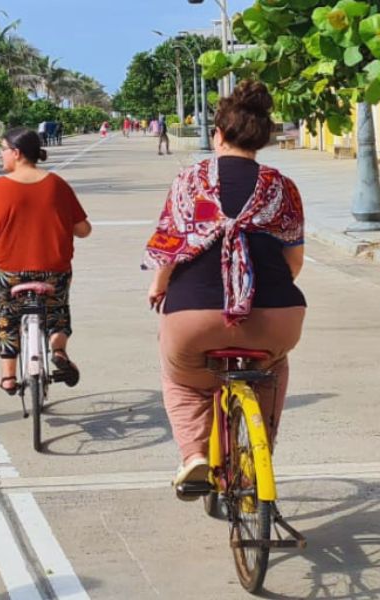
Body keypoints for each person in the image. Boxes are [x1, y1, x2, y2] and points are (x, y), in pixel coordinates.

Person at [142, 81, 306, 496]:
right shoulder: (282, 187)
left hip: (193, 316)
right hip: (277, 316)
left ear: (218, 134)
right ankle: (256, 454)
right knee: (271, 368)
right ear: (262, 137)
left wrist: (158, 288)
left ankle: (194, 455)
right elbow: (294, 263)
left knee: (181, 379)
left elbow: (170, 247)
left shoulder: (190, 180)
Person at [0, 128, 92, 394]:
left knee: (7, 316)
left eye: (2, 149)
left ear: (16, 153)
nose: (0, 155)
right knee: (58, 311)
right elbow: (84, 230)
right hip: (53, 271)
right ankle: (58, 350)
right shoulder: (57, 184)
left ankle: (8, 377)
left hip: (10, 272)